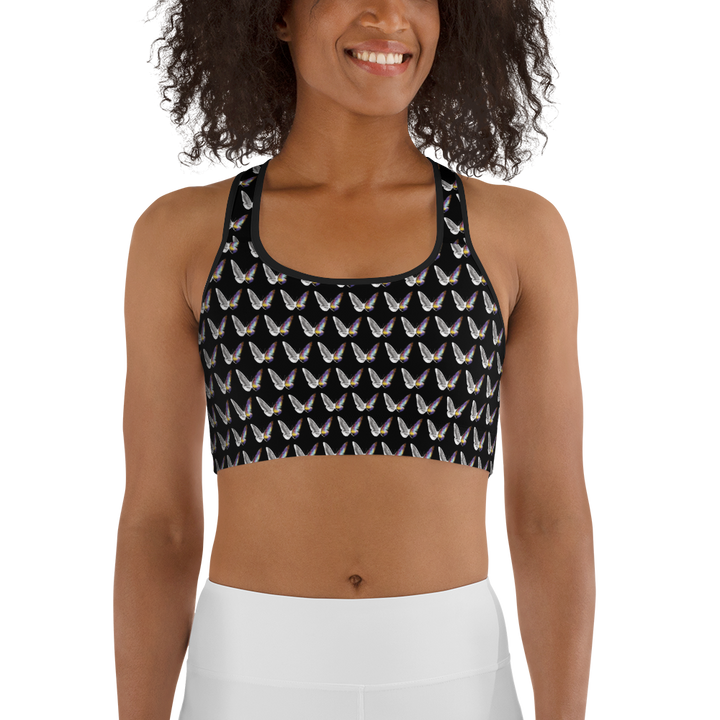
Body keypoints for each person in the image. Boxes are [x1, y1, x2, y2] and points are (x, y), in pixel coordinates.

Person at [115, 1, 597, 719]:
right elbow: (161, 526)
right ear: (275, 14)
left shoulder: (519, 234)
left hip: (454, 680)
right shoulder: (184, 235)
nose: (388, 15)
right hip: (247, 679)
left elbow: (549, 517)